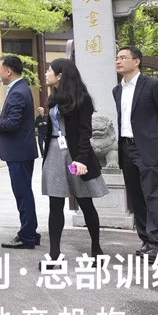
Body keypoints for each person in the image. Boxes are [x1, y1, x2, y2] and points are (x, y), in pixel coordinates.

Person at [114, 46, 158, 260]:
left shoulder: (153, 85)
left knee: (153, 196)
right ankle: (147, 241)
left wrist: (151, 135)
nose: (118, 61)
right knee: (137, 197)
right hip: (126, 148)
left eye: (123, 57)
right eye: (117, 58)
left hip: (147, 148)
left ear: (136, 61)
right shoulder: (117, 90)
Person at [42, 59, 108, 263]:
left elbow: (85, 132)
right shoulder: (53, 98)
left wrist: (81, 159)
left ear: (60, 75)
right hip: (54, 153)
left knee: (85, 202)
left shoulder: (82, 99)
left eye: (49, 70)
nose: (46, 73)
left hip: (76, 155)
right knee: (55, 203)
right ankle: (54, 254)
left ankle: (96, 248)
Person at [0, 55, 41, 250]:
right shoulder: (21, 89)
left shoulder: (18, 92)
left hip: (19, 152)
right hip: (22, 151)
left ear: (8, 71)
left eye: (0, 69)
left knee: (22, 194)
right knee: (24, 192)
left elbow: (12, 123)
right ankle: (31, 233)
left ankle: (27, 236)